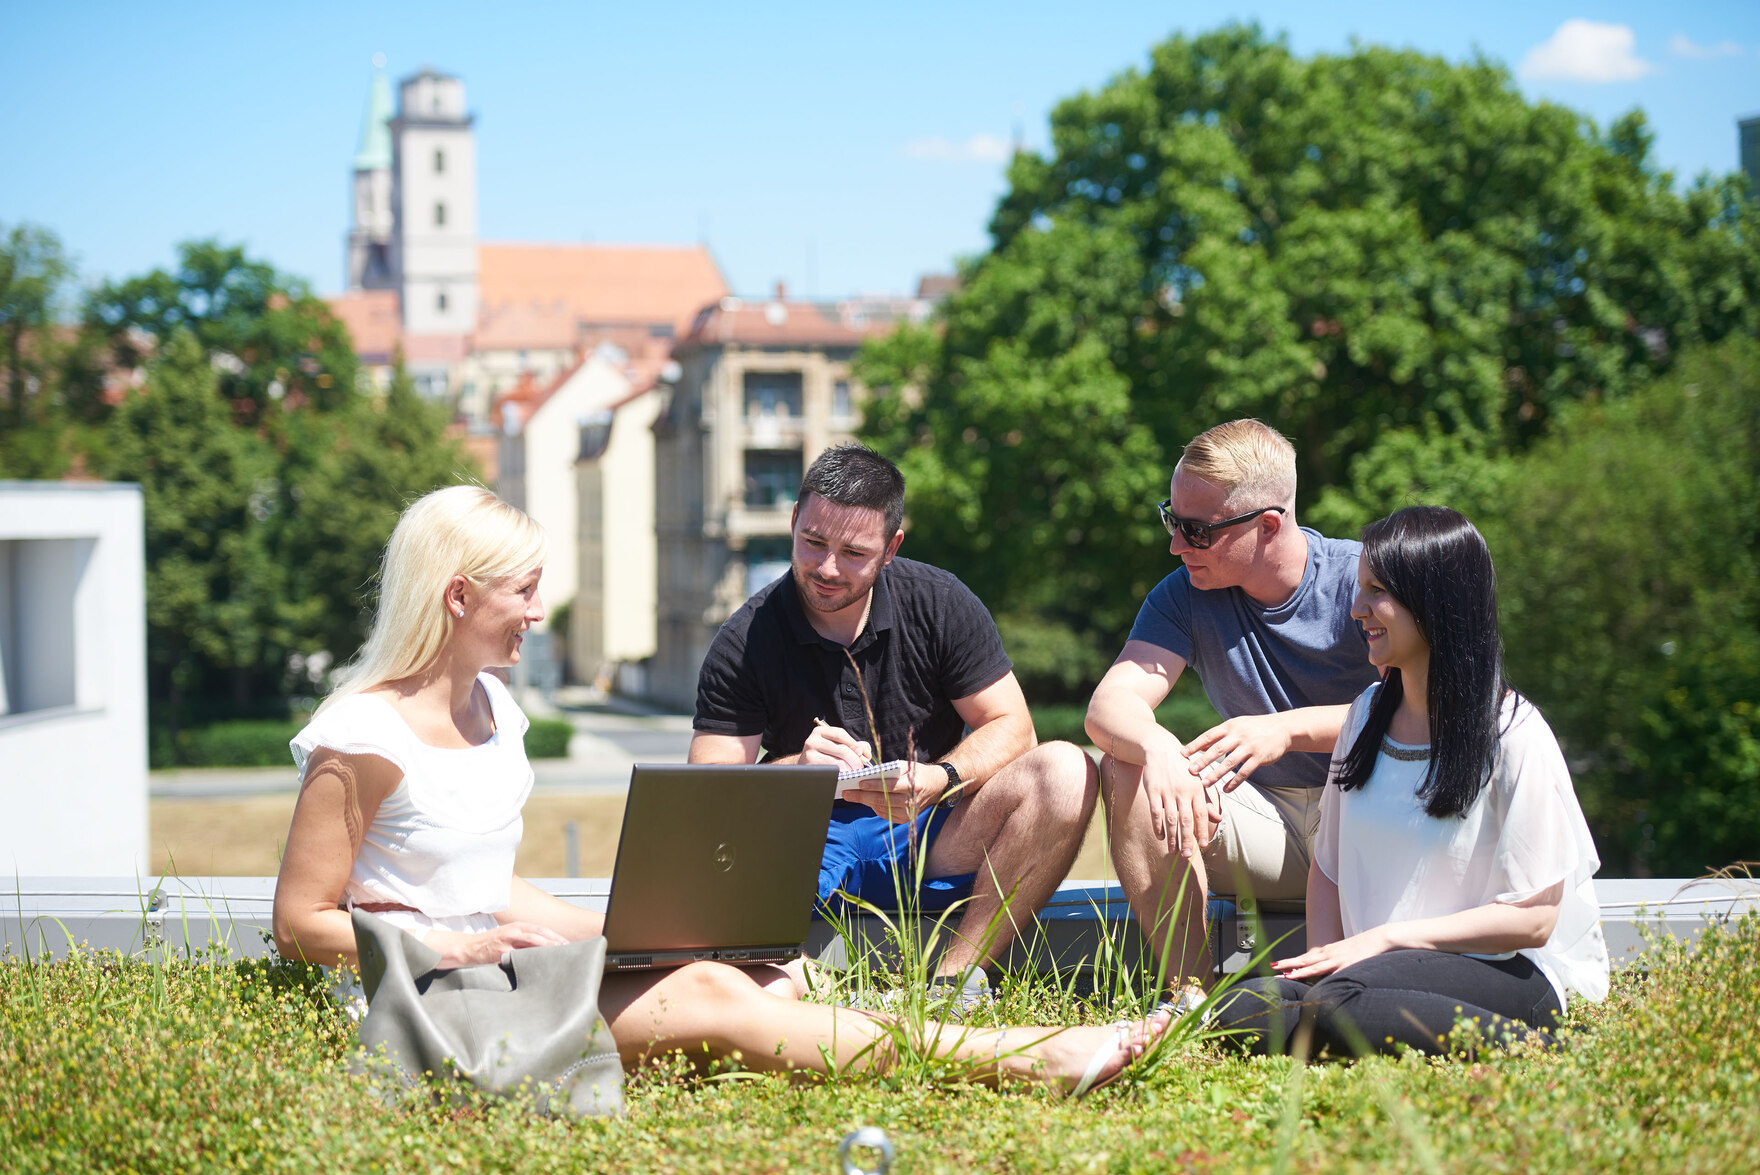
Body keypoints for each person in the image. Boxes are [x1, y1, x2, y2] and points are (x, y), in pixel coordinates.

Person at [270, 485, 1161, 1093]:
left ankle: (855, 1010)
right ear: (459, 596)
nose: (540, 613)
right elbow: (300, 921)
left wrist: (638, 937)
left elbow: (484, 883)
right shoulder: (362, 735)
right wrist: (446, 947)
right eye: (527, 590)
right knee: (712, 1000)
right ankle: (1025, 1057)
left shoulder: (495, 711)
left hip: (507, 965)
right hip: (426, 998)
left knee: (758, 973)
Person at [688, 445, 1096, 1009]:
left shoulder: (939, 601)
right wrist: (798, 772)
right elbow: (704, 791)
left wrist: (941, 777)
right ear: (793, 522)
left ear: (892, 549)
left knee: (1066, 769)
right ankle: (823, 990)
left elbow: (1013, 727)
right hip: (803, 842)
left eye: (854, 553)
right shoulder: (744, 638)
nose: (827, 568)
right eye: (812, 542)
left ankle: (955, 982)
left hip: (931, 833)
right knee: (704, 872)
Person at [1210, 506, 1609, 1055]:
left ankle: (1530, 1045)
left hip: (1504, 976)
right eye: (1359, 589)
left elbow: (1535, 918)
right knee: (1239, 1002)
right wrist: (1324, 961)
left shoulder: (1514, 732)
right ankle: (1332, 1019)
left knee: (1338, 1003)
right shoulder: (1364, 717)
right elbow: (1327, 869)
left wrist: (1385, 940)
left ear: (1434, 601)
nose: (1357, 609)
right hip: (1370, 974)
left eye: (1377, 592)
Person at [1081, 419, 1380, 984]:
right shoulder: (1183, 594)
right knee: (1128, 766)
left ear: (1269, 525)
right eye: (1171, 520)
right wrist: (1159, 749)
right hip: (1262, 822)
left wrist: (1288, 730)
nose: (1174, 545)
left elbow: (1430, 709)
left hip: (1364, 816)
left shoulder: (1364, 579)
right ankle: (1190, 1000)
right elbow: (1109, 706)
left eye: (1196, 530)